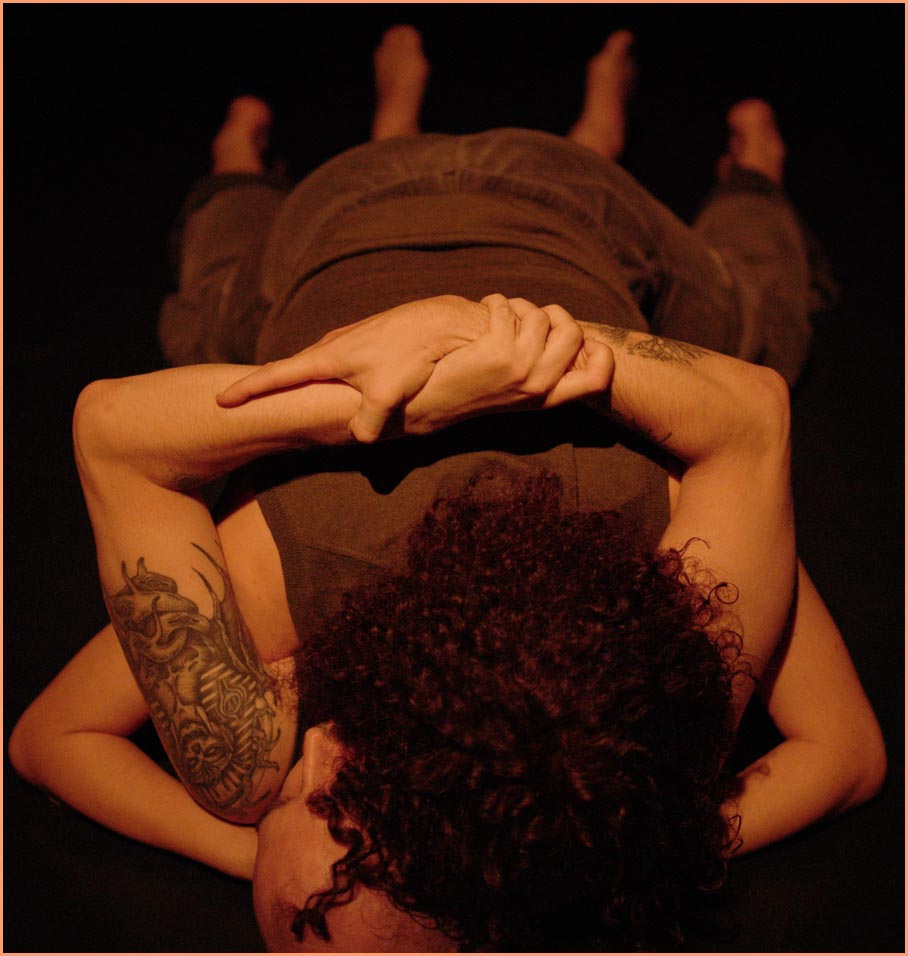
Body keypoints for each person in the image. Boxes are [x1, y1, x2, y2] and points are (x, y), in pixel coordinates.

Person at [9, 25, 885, 953]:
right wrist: (416, 366)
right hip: (503, 199)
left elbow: (844, 754)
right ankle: (709, 158)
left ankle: (444, 122)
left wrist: (450, 355)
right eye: (309, 814)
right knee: (761, 315)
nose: (283, 791)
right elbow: (54, 732)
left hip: (426, 204)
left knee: (220, 308)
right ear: (334, 760)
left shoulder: (657, 630)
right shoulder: (289, 567)